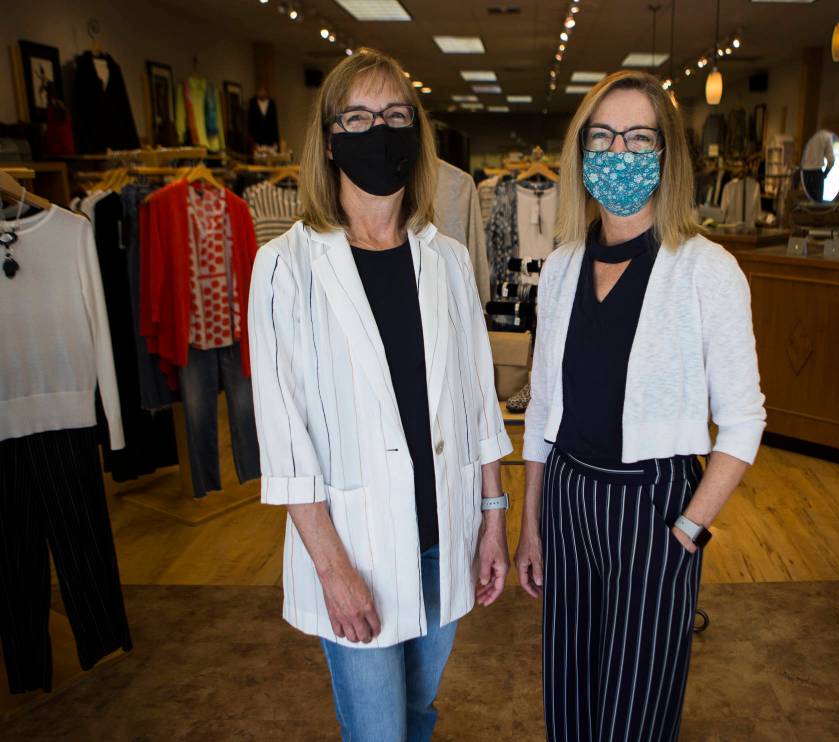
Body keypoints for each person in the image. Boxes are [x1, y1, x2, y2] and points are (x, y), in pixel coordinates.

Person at [247, 48, 513, 741]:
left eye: (396, 116)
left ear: (416, 135)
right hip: (355, 547)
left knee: (419, 712)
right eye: (359, 118)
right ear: (329, 140)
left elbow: (479, 402)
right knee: (378, 732)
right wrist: (331, 568)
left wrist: (492, 518)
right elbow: (285, 440)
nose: (380, 131)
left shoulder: (447, 259)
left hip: (443, 534)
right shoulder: (284, 267)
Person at [515, 70, 767, 742]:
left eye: (636, 137)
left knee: (635, 711)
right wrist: (531, 524)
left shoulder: (706, 269)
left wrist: (688, 530)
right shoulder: (561, 267)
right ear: (581, 152)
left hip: (654, 506)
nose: (617, 152)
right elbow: (542, 411)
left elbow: (743, 420)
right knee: (569, 698)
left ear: (666, 152)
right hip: (568, 498)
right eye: (601, 137)